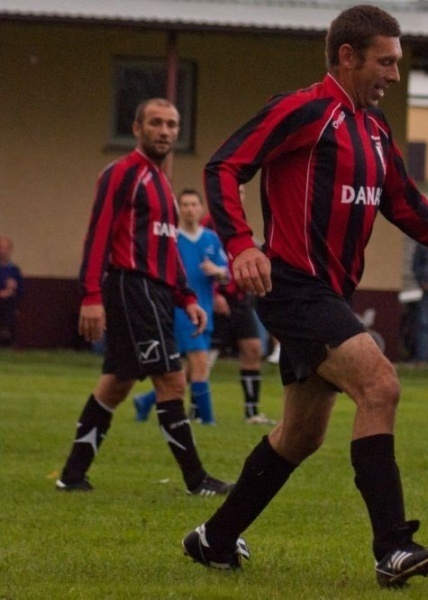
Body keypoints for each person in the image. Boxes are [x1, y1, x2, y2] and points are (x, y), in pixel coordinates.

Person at [182, 4, 428, 588]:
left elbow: (409, 207)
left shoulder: (374, 131)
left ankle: (214, 540)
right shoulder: (303, 110)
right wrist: (242, 245)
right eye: (386, 62)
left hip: (331, 295)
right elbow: (225, 165)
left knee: (301, 435)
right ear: (347, 56)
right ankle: (392, 547)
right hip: (292, 285)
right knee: (381, 383)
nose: (395, 75)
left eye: (398, 64)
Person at [55, 98, 233, 496]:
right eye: (156, 123)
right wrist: (90, 294)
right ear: (137, 128)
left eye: (172, 124)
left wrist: (185, 296)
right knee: (171, 379)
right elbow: (98, 232)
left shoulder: (161, 182)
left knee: (116, 383)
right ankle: (197, 480)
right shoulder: (122, 173)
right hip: (131, 287)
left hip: (154, 291)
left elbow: (167, 249)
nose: (165, 131)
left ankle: (72, 475)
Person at [134, 189, 230, 424]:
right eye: (184, 204)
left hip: (205, 310)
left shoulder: (211, 238)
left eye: (193, 204)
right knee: (199, 364)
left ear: (201, 209)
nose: (189, 209)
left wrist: (218, 272)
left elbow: (226, 273)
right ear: (178, 209)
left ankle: (145, 401)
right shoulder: (171, 239)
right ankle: (207, 420)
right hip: (181, 311)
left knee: (187, 371)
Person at [206, 185, 276, 425]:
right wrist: (215, 294)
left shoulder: (242, 224)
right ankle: (192, 409)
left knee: (253, 349)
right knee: (203, 359)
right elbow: (197, 257)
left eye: (242, 192)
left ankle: (251, 412)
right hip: (218, 301)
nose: (237, 196)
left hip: (241, 299)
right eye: (232, 191)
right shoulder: (208, 223)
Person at [0, 235, 23, 347]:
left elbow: (21, 290)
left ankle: (7, 335)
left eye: (6, 248)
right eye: (1, 248)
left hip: (9, 303)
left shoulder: (14, 270)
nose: (3, 251)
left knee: (9, 305)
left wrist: (13, 288)